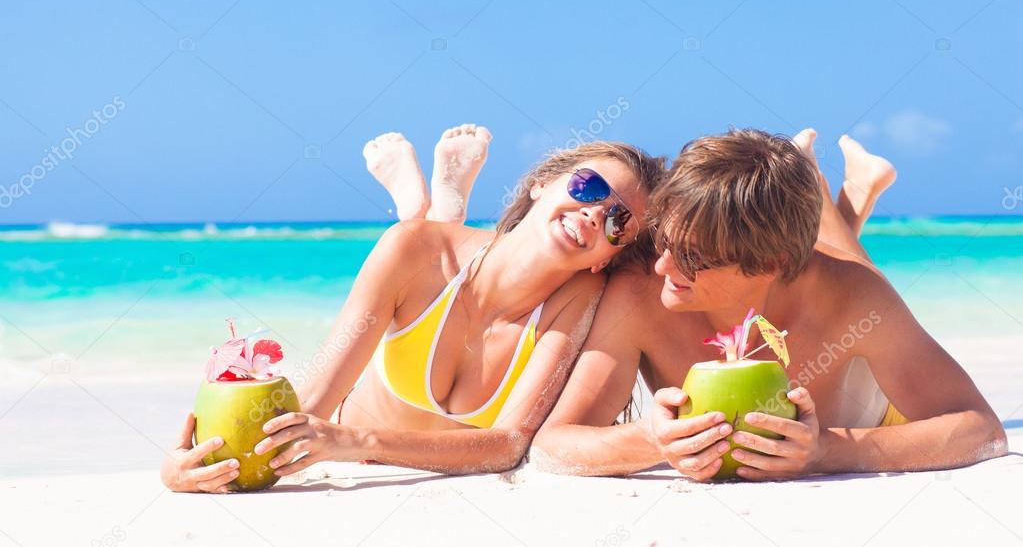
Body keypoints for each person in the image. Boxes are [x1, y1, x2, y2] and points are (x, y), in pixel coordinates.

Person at [160, 126, 664, 492]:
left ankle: (441, 206)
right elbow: (313, 396)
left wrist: (356, 441)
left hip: (359, 437)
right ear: (542, 184)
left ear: (609, 259)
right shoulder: (413, 253)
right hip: (372, 380)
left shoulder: (579, 302)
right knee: (415, 237)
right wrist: (185, 466)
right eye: (588, 188)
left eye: (619, 222)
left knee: (426, 240)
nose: (595, 214)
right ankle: (430, 211)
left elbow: (508, 444)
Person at [530, 128, 1007, 480]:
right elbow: (553, 445)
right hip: (791, 263)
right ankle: (825, 185)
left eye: (694, 259)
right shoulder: (640, 293)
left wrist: (827, 450)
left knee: (850, 265)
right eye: (662, 242)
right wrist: (649, 441)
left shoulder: (853, 296)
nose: (663, 268)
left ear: (769, 264)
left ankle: (824, 188)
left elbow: (981, 430)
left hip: (865, 407)